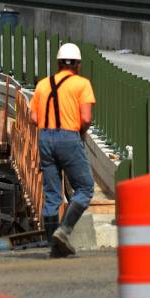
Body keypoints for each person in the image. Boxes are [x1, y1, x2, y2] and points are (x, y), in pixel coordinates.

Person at [30, 43, 96, 257]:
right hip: (69, 138)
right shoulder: (82, 84)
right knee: (84, 187)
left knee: (51, 195)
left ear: (58, 64)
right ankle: (64, 231)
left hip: (45, 138)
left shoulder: (42, 85)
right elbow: (86, 118)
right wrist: (80, 131)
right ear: (77, 64)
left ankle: (53, 246)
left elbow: (33, 117)